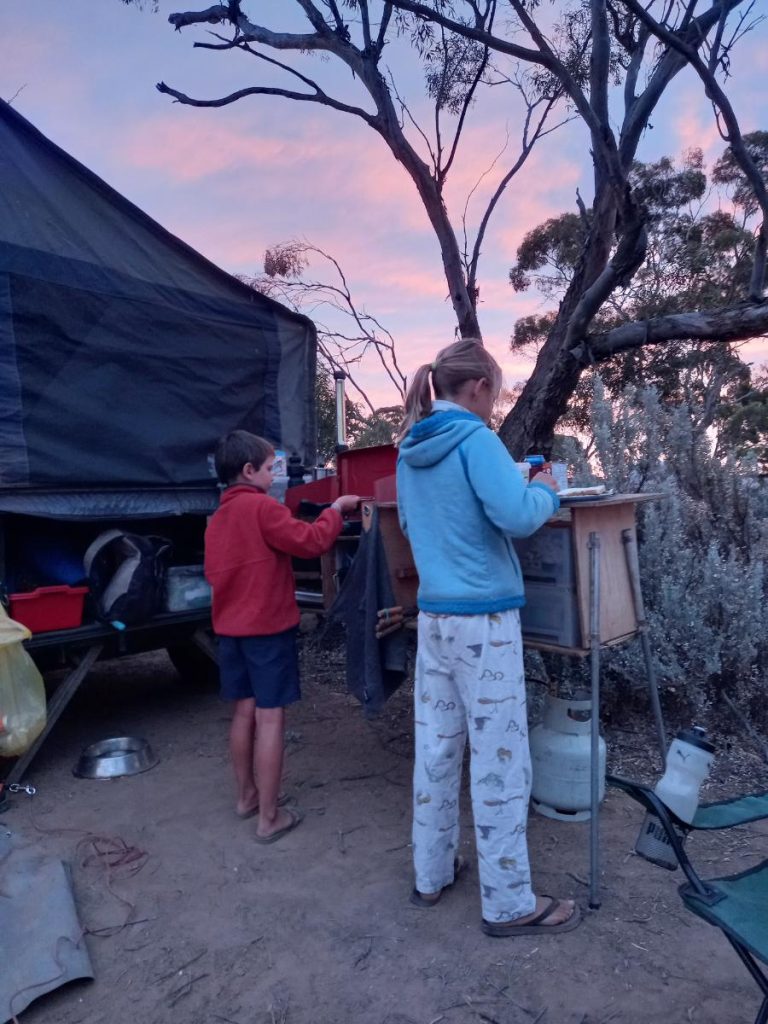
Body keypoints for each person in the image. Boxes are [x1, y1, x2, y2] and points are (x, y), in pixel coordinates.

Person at [396, 339, 581, 936]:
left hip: (436, 619)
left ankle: (431, 874)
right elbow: (520, 516)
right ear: (476, 388)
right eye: (494, 394)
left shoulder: (410, 446)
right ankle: (508, 903)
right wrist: (547, 486)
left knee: (438, 749)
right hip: (485, 620)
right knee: (502, 761)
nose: (494, 405)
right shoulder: (475, 439)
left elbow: (412, 522)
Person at [204, 430, 359, 843]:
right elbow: (311, 543)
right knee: (270, 717)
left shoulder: (217, 518)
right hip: (267, 631)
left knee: (243, 712)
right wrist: (337, 510)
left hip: (231, 631)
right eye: (271, 468)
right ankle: (270, 818)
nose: (275, 476)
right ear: (249, 471)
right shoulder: (262, 509)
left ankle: (246, 798)